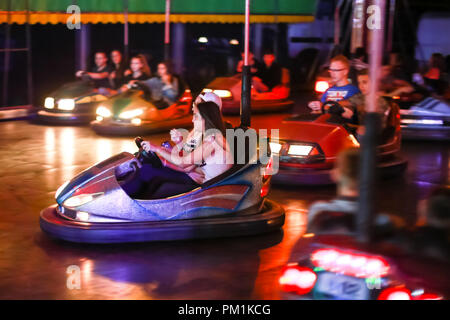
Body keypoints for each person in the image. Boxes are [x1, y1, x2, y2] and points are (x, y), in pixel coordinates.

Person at [124, 101, 233, 198]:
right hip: (203, 184)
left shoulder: (212, 142)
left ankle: (140, 212)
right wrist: (167, 152)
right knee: (155, 179)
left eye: (196, 116)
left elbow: (183, 163)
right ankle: (133, 206)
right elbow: (187, 166)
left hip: (208, 190)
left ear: (205, 119)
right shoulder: (211, 138)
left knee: (161, 186)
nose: (192, 119)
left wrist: (156, 149)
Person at [339, 68, 392, 134]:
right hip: (359, 133)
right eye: (359, 83)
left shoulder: (381, 103)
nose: (361, 86)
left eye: (364, 82)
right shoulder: (359, 97)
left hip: (375, 137)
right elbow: (345, 103)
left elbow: (377, 126)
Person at [308, 55, 360, 119]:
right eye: (331, 70)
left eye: (336, 70)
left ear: (345, 71)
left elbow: (349, 111)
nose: (332, 73)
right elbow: (321, 109)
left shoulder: (353, 90)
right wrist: (315, 107)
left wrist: (324, 106)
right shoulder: (328, 90)